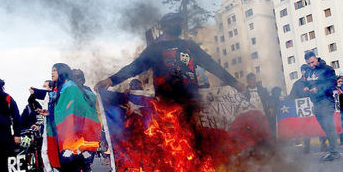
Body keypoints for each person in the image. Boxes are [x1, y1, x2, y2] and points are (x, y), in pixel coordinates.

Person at [94, 12, 243, 109]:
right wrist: (111, 80)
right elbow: (135, 66)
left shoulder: (189, 46)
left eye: (178, 21)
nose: (176, 24)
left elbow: (212, 65)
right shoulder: (155, 49)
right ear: (163, 27)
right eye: (172, 22)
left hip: (192, 103)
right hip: (166, 104)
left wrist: (234, 82)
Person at [47, 63, 100, 172]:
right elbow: (61, 111)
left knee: (77, 165)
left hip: (75, 135)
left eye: (54, 71)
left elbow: (74, 112)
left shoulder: (70, 87)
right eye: (51, 71)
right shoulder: (61, 89)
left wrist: (71, 138)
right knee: (69, 166)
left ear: (62, 72)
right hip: (63, 134)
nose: (52, 73)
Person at [303, 51, 340, 161]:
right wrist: (306, 88)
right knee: (325, 128)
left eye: (312, 62)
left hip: (326, 101)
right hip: (316, 103)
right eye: (308, 63)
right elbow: (307, 83)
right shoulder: (308, 72)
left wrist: (319, 89)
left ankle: (334, 152)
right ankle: (332, 150)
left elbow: (332, 83)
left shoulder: (327, 69)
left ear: (316, 58)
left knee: (329, 126)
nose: (311, 65)